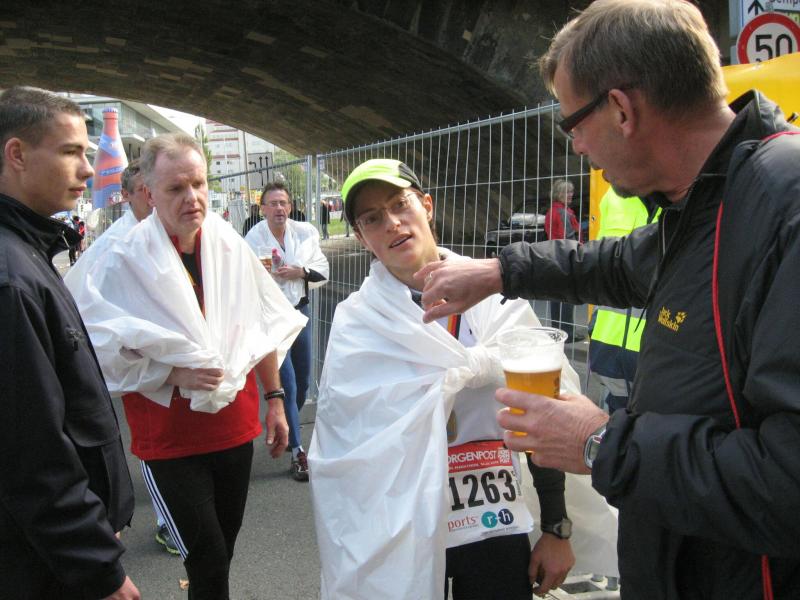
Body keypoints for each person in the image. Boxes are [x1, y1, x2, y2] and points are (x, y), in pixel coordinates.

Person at [417, 1, 800, 598]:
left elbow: (787, 482)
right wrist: (498, 271)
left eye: (572, 124)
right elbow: (617, 263)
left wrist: (600, 443)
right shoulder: (712, 198)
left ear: (621, 109)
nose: (575, 148)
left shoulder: (782, 209)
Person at [309, 159, 576, 599]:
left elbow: (544, 415)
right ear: (360, 236)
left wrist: (555, 527)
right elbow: (346, 452)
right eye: (372, 218)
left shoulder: (495, 298)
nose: (392, 223)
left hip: (493, 519)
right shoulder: (357, 323)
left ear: (427, 206)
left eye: (400, 204)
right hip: (401, 526)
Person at [70, 132, 306, 599]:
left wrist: (276, 400)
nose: (192, 197)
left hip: (235, 426)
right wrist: (171, 372)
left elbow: (258, 324)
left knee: (221, 554)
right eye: (176, 188)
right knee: (207, 557)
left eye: (198, 183)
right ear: (148, 193)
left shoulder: (228, 245)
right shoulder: (121, 260)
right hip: (170, 438)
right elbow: (96, 348)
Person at [0, 86, 139, 599]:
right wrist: (97, 566)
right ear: (17, 154)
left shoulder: (26, 250)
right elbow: (31, 451)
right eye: (70, 152)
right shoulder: (11, 275)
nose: (88, 169)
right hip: (45, 565)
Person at [65, 160, 179, 557]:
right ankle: (167, 522)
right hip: (138, 362)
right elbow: (85, 308)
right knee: (154, 441)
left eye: (155, 188)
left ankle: (177, 515)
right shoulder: (113, 245)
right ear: (127, 196)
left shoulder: (167, 232)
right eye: (143, 191)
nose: (152, 197)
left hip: (172, 359)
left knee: (174, 440)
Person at [245, 181, 329, 481]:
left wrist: (300, 271)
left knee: (303, 384)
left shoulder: (304, 232)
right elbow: (245, 277)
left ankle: (285, 420)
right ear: (263, 209)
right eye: (273, 203)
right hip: (272, 318)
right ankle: (297, 452)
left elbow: (322, 269)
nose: (279, 208)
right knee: (289, 386)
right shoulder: (254, 238)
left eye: (283, 203)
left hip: (300, 313)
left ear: (290, 207)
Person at [588, 187, 659, 414]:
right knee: (615, 424)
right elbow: (602, 265)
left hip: (658, 364)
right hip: (609, 356)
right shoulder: (613, 195)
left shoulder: (688, 196)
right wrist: (595, 322)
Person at [544, 179, 581, 342]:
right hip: (566, 258)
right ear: (559, 194)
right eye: (567, 192)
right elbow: (569, 238)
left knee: (556, 296)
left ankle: (556, 332)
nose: (571, 194)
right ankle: (568, 334)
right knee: (568, 297)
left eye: (571, 191)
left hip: (553, 256)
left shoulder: (551, 211)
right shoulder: (564, 213)